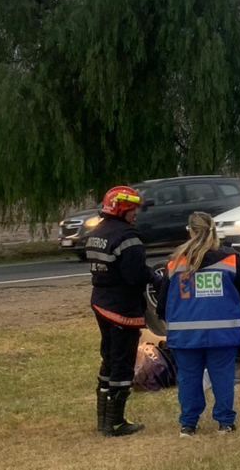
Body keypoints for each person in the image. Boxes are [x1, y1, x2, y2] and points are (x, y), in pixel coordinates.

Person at [156, 211, 240, 437]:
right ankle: (225, 423)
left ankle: (188, 425)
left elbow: (161, 304)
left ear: (189, 231)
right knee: (222, 377)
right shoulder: (232, 260)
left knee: (189, 378)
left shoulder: (174, 263)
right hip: (223, 332)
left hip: (184, 333)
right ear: (213, 230)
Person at [86, 186, 158, 437]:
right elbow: (136, 275)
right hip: (121, 309)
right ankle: (115, 423)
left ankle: (103, 421)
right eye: (132, 209)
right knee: (123, 364)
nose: (135, 214)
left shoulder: (97, 233)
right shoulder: (127, 237)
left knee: (108, 358)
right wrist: (156, 278)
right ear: (121, 209)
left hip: (101, 303)